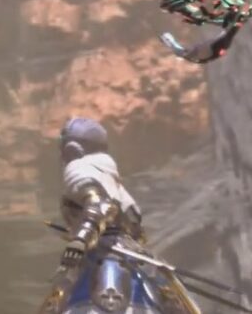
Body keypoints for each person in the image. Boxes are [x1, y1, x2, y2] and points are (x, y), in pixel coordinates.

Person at [38, 117, 202, 314]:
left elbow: (100, 205)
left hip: (100, 259)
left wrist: (80, 240)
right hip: (133, 260)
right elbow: (132, 225)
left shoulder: (80, 168)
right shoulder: (111, 178)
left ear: (72, 148)